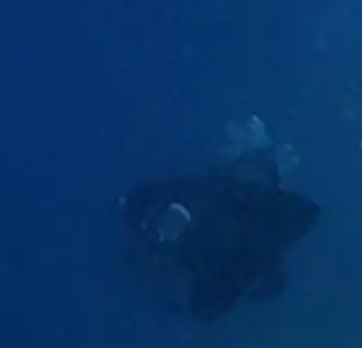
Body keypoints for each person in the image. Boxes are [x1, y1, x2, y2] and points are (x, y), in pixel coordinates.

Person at [122, 117, 320, 320]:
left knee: (206, 307)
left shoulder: (267, 221)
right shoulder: (209, 188)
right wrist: (136, 218)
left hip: (223, 267)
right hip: (198, 254)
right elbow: (151, 192)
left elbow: (272, 259)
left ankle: (166, 267)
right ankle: (161, 256)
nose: (249, 186)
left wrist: (269, 284)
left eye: (259, 181)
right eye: (247, 173)